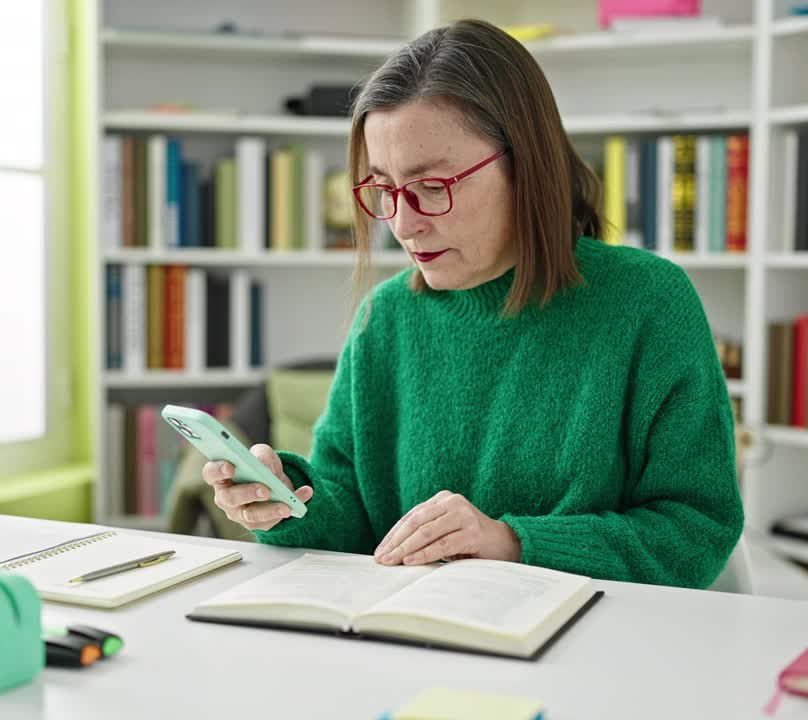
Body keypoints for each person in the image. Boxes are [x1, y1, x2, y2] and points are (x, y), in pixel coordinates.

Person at [201, 18, 743, 588]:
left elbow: (696, 531)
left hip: (591, 649)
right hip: (417, 643)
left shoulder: (648, 303)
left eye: (433, 188)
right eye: (383, 189)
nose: (403, 225)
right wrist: (287, 500)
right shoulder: (385, 319)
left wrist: (510, 542)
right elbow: (354, 517)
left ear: (524, 165)